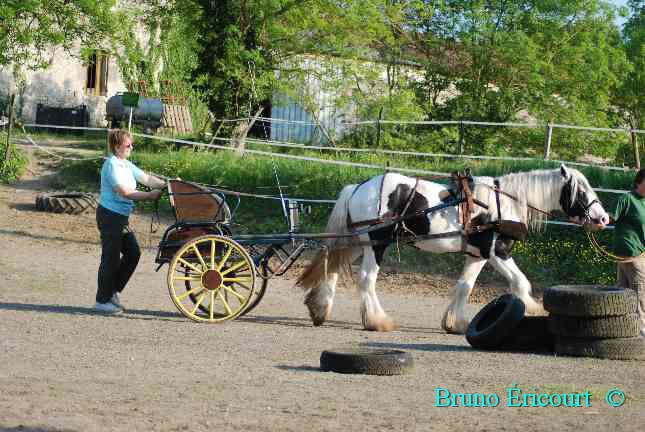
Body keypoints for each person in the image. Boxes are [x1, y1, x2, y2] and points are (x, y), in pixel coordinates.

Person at [95, 129, 165, 313]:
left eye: (131, 144)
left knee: (133, 253)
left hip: (121, 218)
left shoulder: (126, 164)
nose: (131, 148)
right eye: (128, 145)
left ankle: (112, 292)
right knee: (110, 258)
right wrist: (150, 196)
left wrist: (168, 184)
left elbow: (147, 178)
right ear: (117, 147)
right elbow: (125, 192)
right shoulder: (111, 165)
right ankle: (102, 301)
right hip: (110, 216)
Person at [613, 168, 645, 337]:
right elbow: (610, 218)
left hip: (640, 252)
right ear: (640, 181)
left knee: (623, 289)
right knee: (640, 289)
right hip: (630, 252)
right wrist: (593, 222)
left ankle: (621, 328)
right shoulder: (626, 199)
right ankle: (642, 327)